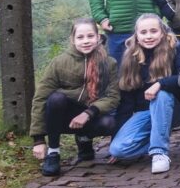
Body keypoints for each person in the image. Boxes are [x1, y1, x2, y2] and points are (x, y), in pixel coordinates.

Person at [30, 19, 119, 177]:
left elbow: (113, 96)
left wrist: (88, 113)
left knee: (109, 123)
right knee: (56, 99)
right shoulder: (59, 63)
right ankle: (53, 153)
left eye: (90, 36)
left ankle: (84, 139)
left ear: (98, 37)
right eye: (80, 37)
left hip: (90, 114)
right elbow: (40, 98)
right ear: (72, 39)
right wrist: (38, 140)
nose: (86, 41)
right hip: (62, 117)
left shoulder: (109, 63)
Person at [109, 13, 180, 174]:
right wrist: (116, 136)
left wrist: (160, 83)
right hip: (145, 113)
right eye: (143, 32)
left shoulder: (177, 48)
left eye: (154, 31)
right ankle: (156, 139)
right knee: (118, 149)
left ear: (163, 32)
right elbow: (126, 101)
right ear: (136, 36)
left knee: (162, 94)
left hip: (173, 108)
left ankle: (159, 153)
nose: (149, 36)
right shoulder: (131, 56)